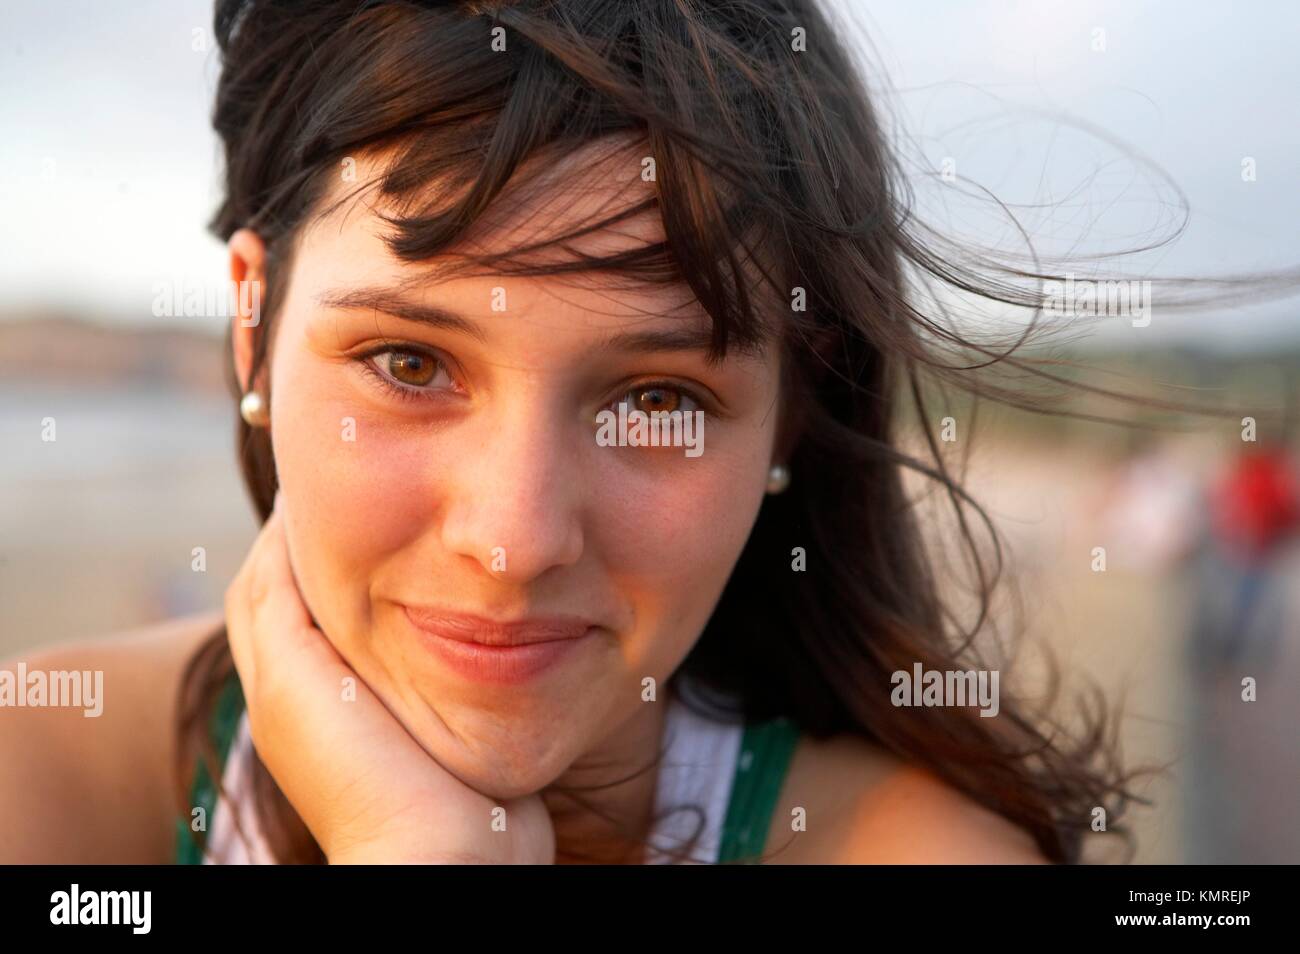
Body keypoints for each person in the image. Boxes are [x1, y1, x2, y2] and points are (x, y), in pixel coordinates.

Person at [1, 0, 1143, 865]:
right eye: (409, 364)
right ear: (253, 330)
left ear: (791, 409)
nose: (515, 538)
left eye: (657, 400)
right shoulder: (45, 780)